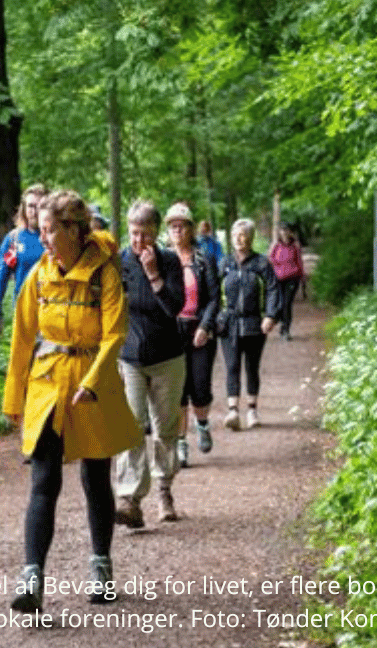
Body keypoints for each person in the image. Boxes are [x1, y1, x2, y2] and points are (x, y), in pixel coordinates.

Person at [1, 190, 141, 612]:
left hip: (92, 385)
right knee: (44, 481)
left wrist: (93, 381)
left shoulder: (104, 274)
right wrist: (13, 398)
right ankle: (32, 580)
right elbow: (22, 338)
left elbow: (114, 334)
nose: (42, 238)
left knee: (95, 478)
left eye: (49, 230)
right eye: (40, 230)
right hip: (47, 385)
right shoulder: (39, 275)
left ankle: (101, 568)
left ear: (75, 231)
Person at [113, 200, 187, 527]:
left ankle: (164, 489)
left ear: (156, 232)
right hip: (131, 357)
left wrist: (154, 274)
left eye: (145, 233)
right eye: (133, 233)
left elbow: (174, 307)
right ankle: (130, 499)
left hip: (167, 356)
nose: (138, 240)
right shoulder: (120, 262)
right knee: (130, 425)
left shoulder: (169, 261)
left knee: (165, 427)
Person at [164, 202, 220, 467]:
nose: (177, 230)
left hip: (199, 329)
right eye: (172, 226)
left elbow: (214, 298)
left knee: (200, 387)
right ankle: (181, 443)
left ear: (190, 229)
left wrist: (205, 327)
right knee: (178, 391)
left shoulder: (204, 260)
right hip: (172, 331)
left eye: (181, 226)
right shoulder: (163, 259)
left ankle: (203, 424)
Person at [218, 218, 280, 431]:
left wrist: (270, 315)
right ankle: (233, 411)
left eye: (242, 235)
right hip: (229, 324)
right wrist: (215, 318)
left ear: (251, 238)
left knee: (252, 367)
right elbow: (213, 293)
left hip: (255, 323)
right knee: (232, 366)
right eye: (235, 235)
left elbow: (273, 289)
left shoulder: (262, 264)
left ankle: (252, 410)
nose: (238, 239)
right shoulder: (224, 264)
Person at [0, 183, 48, 320]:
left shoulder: (57, 237)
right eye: (30, 206)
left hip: (53, 307)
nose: (34, 211)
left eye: (40, 206)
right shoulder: (14, 238)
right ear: (24, 208)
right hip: (24, 307)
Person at [268, 222, 305, 340]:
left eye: (286, 230)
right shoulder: (276, 245)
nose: (284, 232)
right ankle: (281, 322)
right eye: (282, 230)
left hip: (292, 278)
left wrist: (302, 277)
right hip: (278, 279)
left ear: (290, 232)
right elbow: (270, 259)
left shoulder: (295, 246)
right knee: (279, 304)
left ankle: (286, 330)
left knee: (287, 303)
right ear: (279, 232)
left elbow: (299, 261)